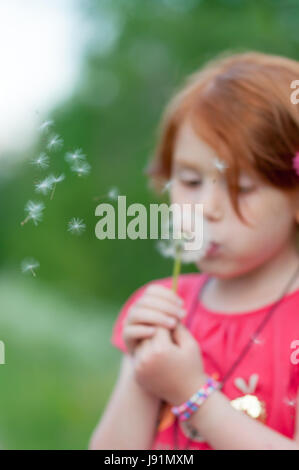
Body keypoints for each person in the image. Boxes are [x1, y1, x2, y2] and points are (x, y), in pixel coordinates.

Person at [89, 50, 299, 450]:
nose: (204, 208)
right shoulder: (165, 305)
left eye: (241, 188)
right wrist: (143, 371)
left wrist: (192, 394)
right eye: (188, 180)